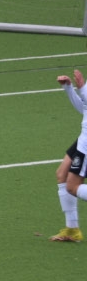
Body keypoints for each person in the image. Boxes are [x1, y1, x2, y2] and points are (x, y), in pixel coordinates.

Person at [53, 69, 87, 242]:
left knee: (72, 187)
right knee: (62, 174)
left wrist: (83, 89)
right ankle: (72, 229)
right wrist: (69, 88)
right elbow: (84, 108)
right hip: (83, 138)